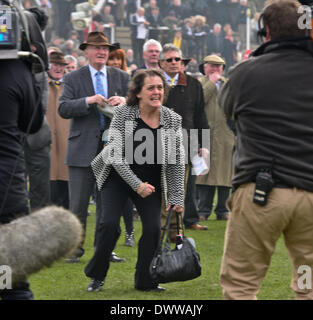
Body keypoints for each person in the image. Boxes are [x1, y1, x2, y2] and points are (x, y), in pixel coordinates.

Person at [218, 0, 313, 300]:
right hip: (310, 197)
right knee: (308, 284)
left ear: (266, 32)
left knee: (242, 285)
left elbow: (228, 109)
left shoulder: (245, 73)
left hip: (262, 195)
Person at [85, 69, 185, 292]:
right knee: (109, 225)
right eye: (151, 88)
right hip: (117, 178)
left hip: (150, 183)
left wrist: (177, 197)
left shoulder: (171, 119)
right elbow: (114, 154)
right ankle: (97, 274)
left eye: (160, 87)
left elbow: (176, 160)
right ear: (138, 92)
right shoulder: (124, 114)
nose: (157, 92)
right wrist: (136, 185)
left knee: (152, 229)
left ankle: (145, 280)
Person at [58, 32, 129, 263]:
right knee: (78, 204)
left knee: (108, 205)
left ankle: (104, 250)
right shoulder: (73, 78)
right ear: (86, 51)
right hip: (82, 148)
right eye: (96, 48)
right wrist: (88, 101)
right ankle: (74, 250)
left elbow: (139, 105)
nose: (101, 52)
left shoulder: (121, 76)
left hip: (113, 148)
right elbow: (64, 108)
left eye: (105, 49)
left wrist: (126, 102)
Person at [0, 59, 44, 300]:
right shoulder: (17, 70)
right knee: (10, 282)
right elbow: (34, 121)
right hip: (7, 189)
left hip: (7, 187)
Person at [159, 44, 209, 237]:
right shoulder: (154, 83)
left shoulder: (194, 85)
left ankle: (177, 231)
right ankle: (160, 230)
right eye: (169, 59)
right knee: (162, 190)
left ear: (182, 62)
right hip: (156, 143)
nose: (173, 63)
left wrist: (203, 144)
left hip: (186, 144)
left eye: (176, 59)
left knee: (183, 190)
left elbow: (200, 116)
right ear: (162, 63)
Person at [196, 55, 235, 221]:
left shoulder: (229, 85)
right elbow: (199, 102)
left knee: (226, 174)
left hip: (226, 134)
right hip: (206, 134)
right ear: (205, 67)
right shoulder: (198, 84)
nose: (215, 69)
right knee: (205, 173)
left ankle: (223, 210)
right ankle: (203, 210)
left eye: (219, 66)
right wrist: (211, 83)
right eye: (212, 66)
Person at [106, 48, 136, 247]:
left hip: (124, 140)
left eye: (119, 58)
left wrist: (124, 101)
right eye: (112, 58)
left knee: (126, 189)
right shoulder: (98, 79)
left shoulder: (126, 79)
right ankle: (111, 233)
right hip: (101, 138)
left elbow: (136, 104)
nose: (116, 62)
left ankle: (130, 232)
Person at [46, 52, 70, 209]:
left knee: (67, 197)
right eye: (54, 64)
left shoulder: (70, 85)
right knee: (48, 195)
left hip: (67, 146)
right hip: (46, 146)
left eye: (61, 65)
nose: (58, 68)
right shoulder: (40, 84)